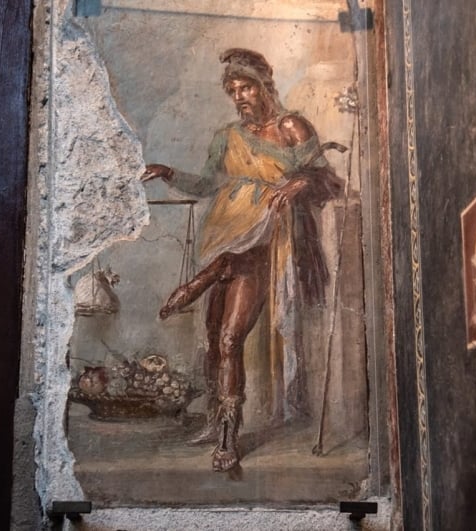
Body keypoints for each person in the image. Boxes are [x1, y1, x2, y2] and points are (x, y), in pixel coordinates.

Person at [142, 48, 342, 472]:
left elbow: (329, 181)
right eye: (232, 90)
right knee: (216, 338)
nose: (239, 96)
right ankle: (219, 422)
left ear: (265, 84)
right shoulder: (226, 138)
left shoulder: (291, 127)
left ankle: (230, 441)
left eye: (245, 86)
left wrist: (301, 180)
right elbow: (208, 185)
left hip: (271, 245)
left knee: (232, 338)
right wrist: (169, 173)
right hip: (229, 236)